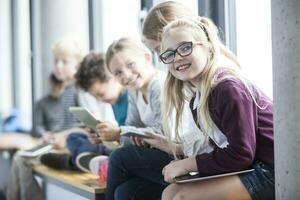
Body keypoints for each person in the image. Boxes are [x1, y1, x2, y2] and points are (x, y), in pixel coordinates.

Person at [159, 18, 274, 200]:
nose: (177, 57)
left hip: (273, 169)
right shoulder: (198, 99)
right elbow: (223, 148)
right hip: (252, 165)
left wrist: (189, 164)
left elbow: (241, 154)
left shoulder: (228, 88)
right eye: (169, 54)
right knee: (170, 192)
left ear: (208, 47)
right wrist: (185, 164)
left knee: (180, 197)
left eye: (185, 47)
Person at [6, 37, 116, 200]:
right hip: (66, 141)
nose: (58, 66)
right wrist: (53, 135)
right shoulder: (66, 90)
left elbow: (91, 125)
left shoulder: (82, 90)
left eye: (64, 62)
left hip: (81, 142)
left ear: (77, 65)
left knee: (21, 159)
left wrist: (62, 136)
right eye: (56, 61)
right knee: (20, 158)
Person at [102, 37, 178, 200]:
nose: (127, 75)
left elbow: (163, 133)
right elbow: (131, 128)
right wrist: (116, 134)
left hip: (176, 155)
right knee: (124, 192)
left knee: (118, 158)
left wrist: (119, 133)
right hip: (157, 156)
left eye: (130, 65)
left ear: (147, 58)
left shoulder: (158, 85)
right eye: (118, 73)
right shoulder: (134, 91)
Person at [55, 52, 129, 174]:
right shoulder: (114, 101)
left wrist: (115, 135)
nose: (101, 100)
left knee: (116, 154)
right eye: (96, 97)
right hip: (118, 146)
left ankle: (72, 162)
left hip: (128, 150)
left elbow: (134, 139)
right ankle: (92, 161)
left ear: (113, 77)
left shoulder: (130, 96)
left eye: (101, 94)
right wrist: (104, 137)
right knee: (73, 138)